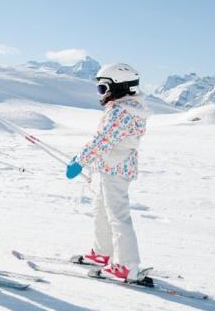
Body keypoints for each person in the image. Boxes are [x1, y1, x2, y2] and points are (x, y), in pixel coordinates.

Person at [66, 63, 149, 283]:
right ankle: (102, 253)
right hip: (110, 166)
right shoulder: (124, 108)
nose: (101, 94)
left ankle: (127, 266)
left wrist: (80, 161)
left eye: (103, 88)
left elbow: (102, 141)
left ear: (120, 87)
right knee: (100, 210)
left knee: (117, 215)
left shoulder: (121, 112)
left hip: (116, 168)